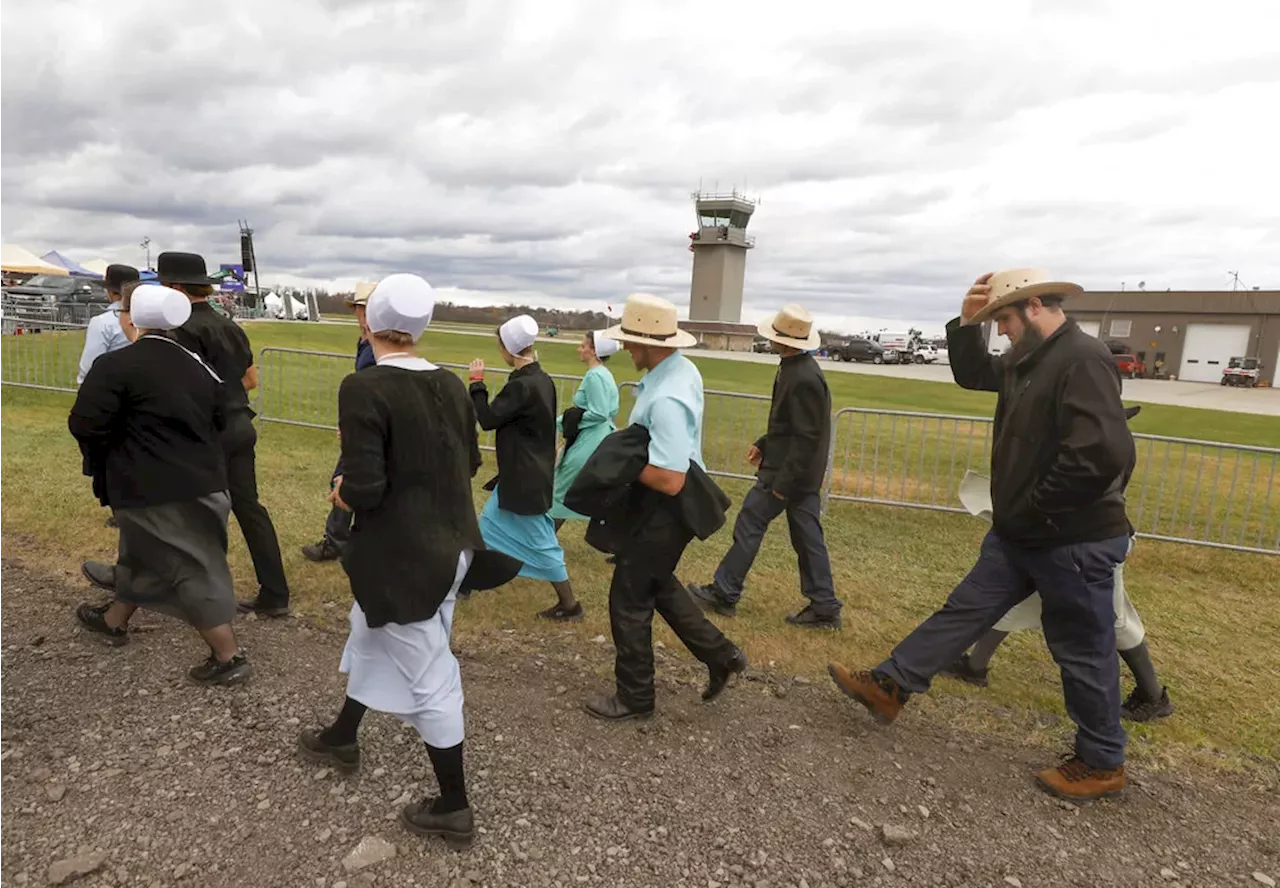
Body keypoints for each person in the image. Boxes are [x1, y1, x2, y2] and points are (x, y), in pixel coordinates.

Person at [828, 269, 1137, 803]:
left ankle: (1102, 762)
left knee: (1083, 650)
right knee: (964, 610)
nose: (1004, 333)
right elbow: (973, 373)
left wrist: (1036, 508)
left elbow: (1100, 455)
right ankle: (891, 685)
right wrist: (967, 322)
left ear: (1036, 307)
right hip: (1024, 533)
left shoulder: (1082, 359)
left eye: (1006, 320)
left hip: (1071, 539)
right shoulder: (1029, 360)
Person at [296, 274, 520, 848]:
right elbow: (468, 461)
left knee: (430, 676)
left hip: (407, 555)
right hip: (452, 544)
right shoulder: (448, 383)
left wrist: (344, 491)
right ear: (420, 327)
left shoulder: (363, 385)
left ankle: (455, 806)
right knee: (368, 631)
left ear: (369, 324)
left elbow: (365, 485)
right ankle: (343, 735)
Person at [81, 252, 293, 617]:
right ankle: (275, 592)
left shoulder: (173, 332)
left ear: (175, 288)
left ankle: (142, 588)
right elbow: (250, 379)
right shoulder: (230, 325)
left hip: (198, 432)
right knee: (248, 508)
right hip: (239, 424)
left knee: (159, 513)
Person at [572, 293, 747, 720]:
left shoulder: (667, 397)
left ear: (649, 343)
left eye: (631, 341)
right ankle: (722, 656)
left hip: (668, 506)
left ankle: (636, 697)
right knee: (656, 583)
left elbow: (670, 478)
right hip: (669, 506)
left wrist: (617, 467)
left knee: (629, 596)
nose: (627, 348)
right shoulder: (679, 369)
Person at [70, 283, 252, 685]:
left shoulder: (117, 365)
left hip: (153, 486)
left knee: (191, 569)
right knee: (141, 553)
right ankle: (115, 620)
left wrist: (116, 448)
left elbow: (84, 423)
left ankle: (228, 655)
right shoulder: (197, 364)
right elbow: (221, 418)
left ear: (131, 319)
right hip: (204, 479)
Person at [940, 410, 1174, 723]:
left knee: (1113, 619)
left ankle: (1153, 696)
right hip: (1058, 540)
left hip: (1091, 543)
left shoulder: (1100, 450)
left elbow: (1079, 499)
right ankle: (975, 666)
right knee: (1016, 599)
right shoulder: (1093, 442)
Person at [686, 304, 841, 629]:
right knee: (807, 536)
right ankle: (824, 606)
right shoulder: (795, 368)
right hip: (797, 473)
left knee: (750, 523)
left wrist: (784, 482)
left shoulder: (802, 376)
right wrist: (765, 443)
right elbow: (790, 427)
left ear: (784, 340)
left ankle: (725, 592)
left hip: (788, 474)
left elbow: (807, 437)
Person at [468, 315, 582, 621]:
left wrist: (476, 385)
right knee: (486, 526)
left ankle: (570, 605)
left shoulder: (522, 385)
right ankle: (463, 582)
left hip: (524, 477)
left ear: (508, 348)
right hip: (527, 473)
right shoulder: (541, 379)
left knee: (543, 544)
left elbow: (489, 419)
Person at [301, 281, 379, 563]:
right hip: (360, 423)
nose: (358, 314)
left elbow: (372, 392)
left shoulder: (377, 345)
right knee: (346, 480)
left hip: (366, 427)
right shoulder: (365, 340)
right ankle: (345, 539)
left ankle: (338, 541)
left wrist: (352, 425)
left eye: (361, 308)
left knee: (345, 480)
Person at [549, 330, 621, 527]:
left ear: (593, 351)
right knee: (563, 487)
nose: (579, 349)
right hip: (595, 436)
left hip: (590, 439)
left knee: (560, 488)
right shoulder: (603, 374)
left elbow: (599, 412)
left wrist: (566, 420)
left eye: (583, 345)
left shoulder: (595, 376)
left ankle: (541, 542)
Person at [76, 264, 138, 385]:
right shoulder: (148, 319)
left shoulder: (102, 322)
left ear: (110, 292)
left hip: (111, 386)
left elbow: (89, 366)